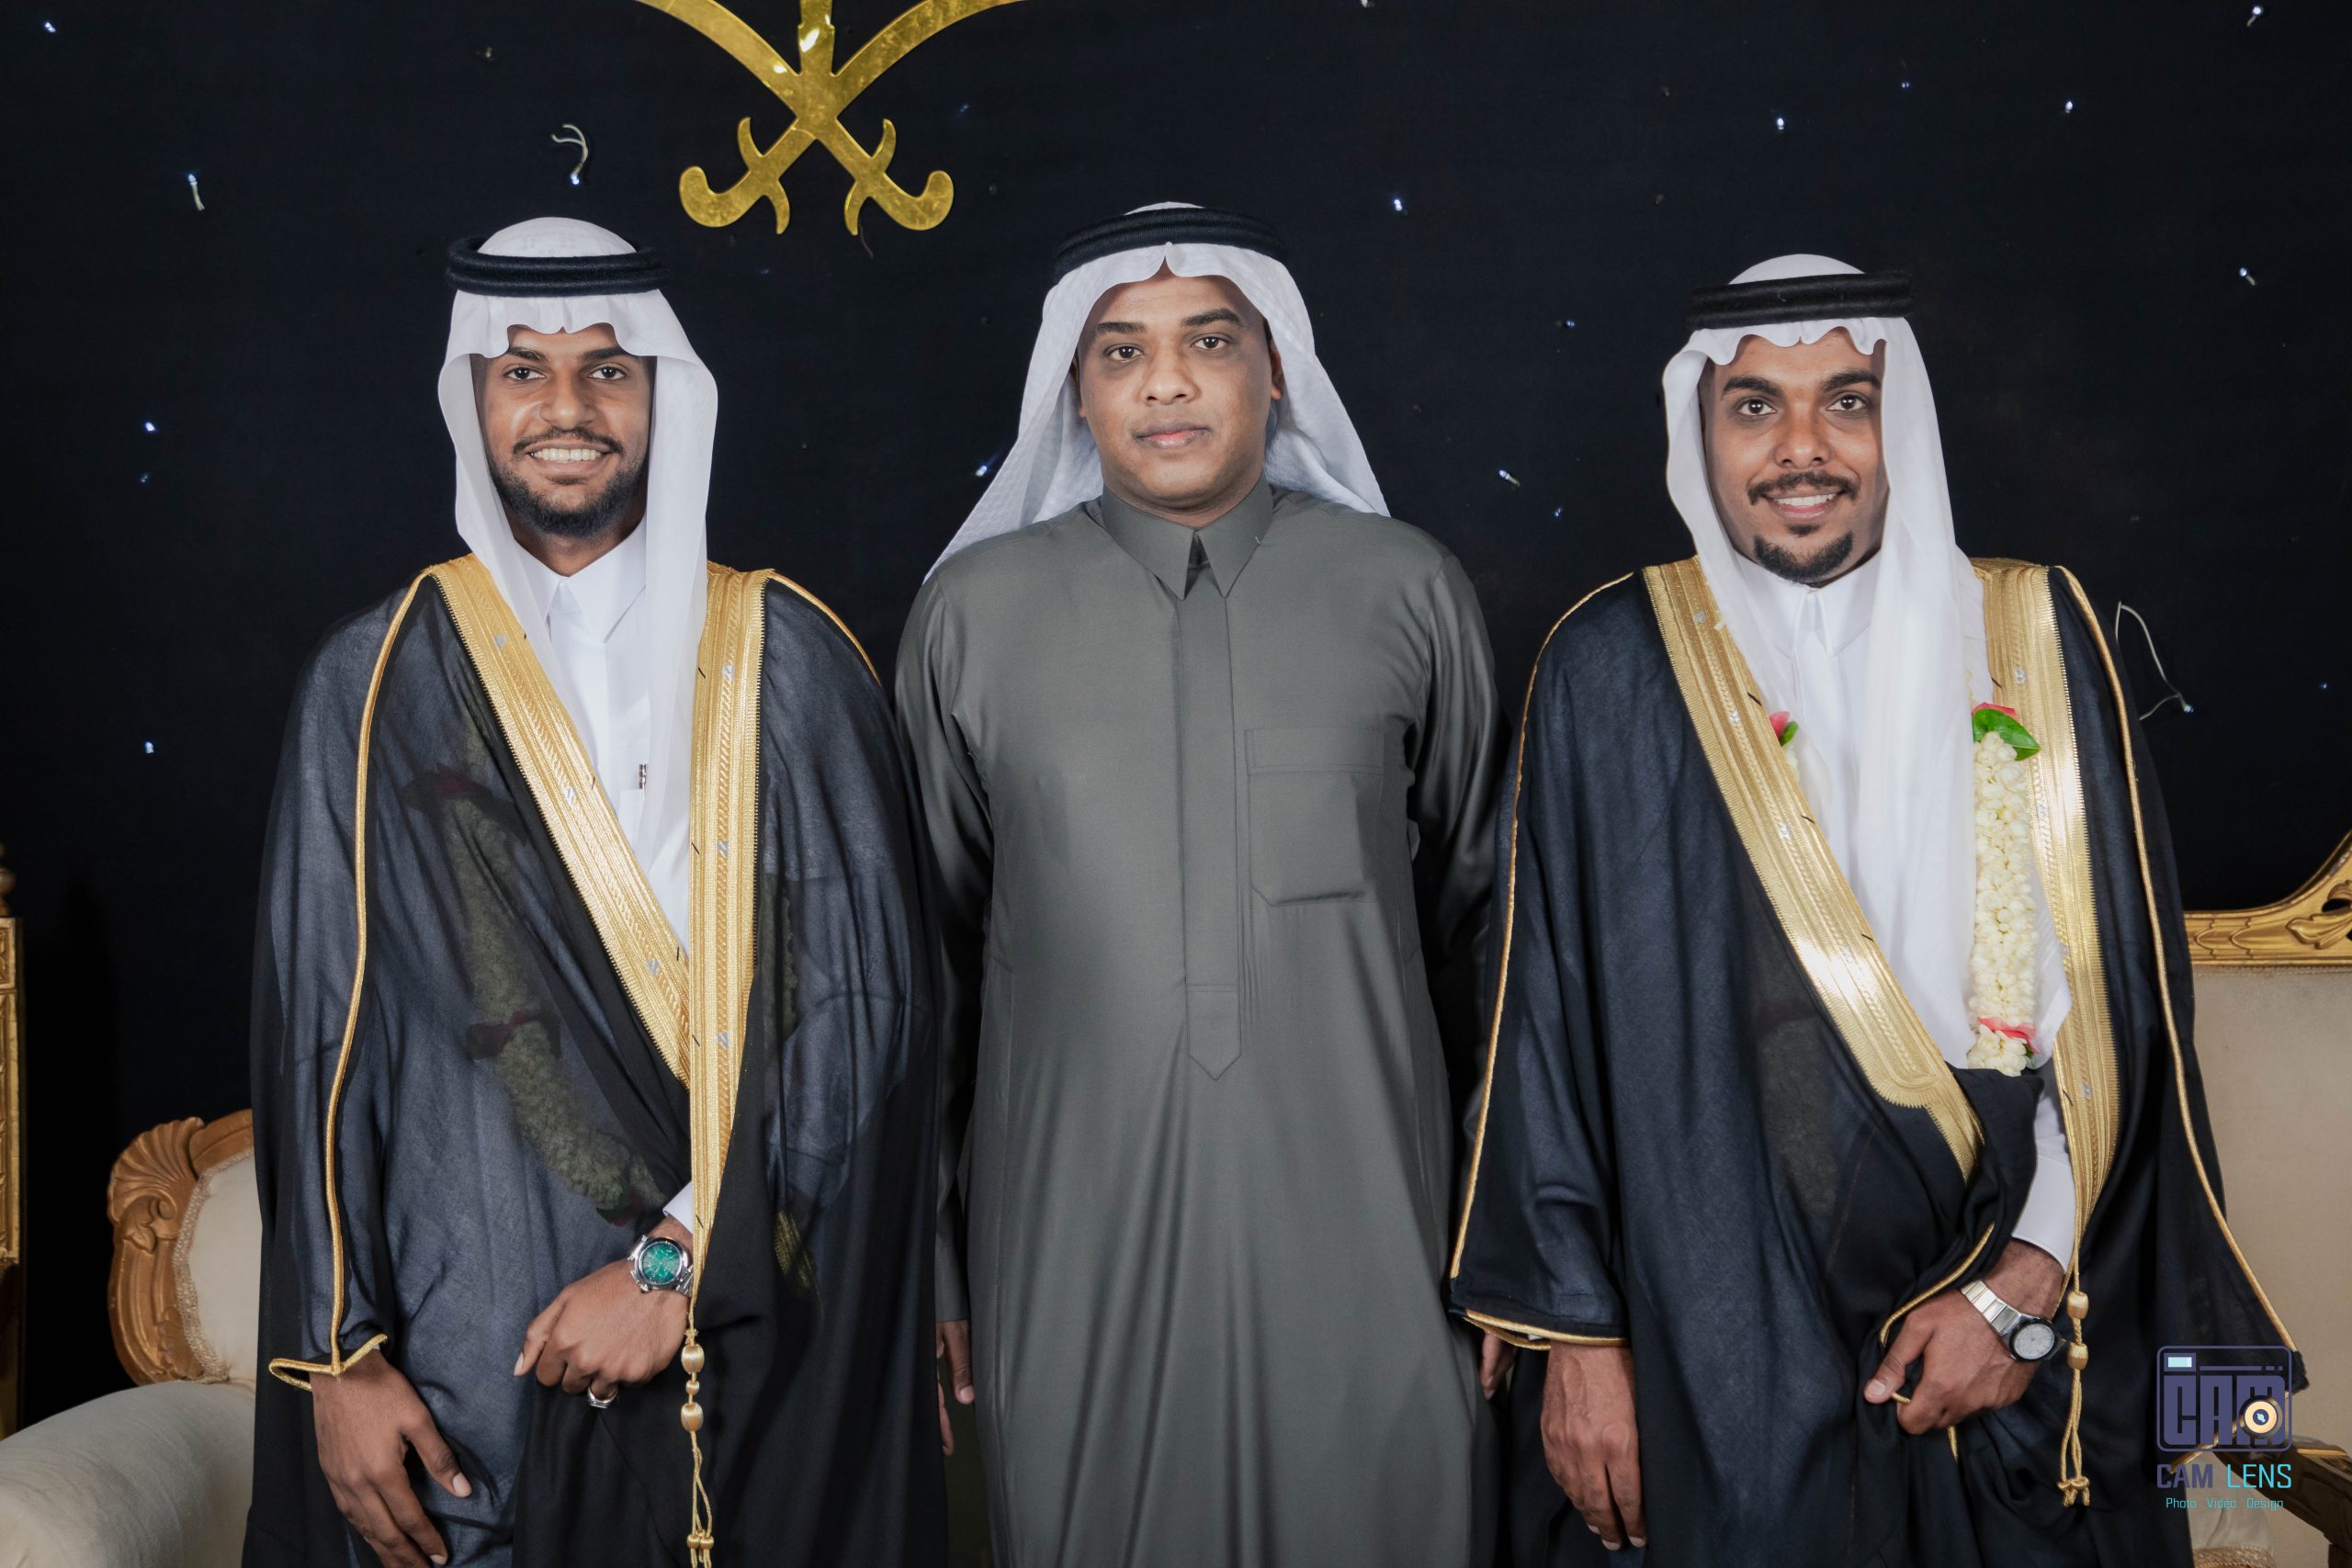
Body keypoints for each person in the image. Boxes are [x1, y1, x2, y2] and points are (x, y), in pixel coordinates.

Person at [1447, 255, 2302, 1565]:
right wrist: (1583, 1339)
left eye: (1847, 401)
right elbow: (1540, 1027)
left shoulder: (2032, 632)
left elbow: (2122, 1017)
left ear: (1900, 423)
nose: (1803, 447)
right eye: (1755, 407)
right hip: (1714, 1318)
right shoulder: (1608, 665)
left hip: (2006, 1313)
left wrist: (2023, 1293)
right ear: (1700, 429)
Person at [245, 217, 941, 1568]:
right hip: (461, 1374)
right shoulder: (375, 681)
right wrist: (339, 1356)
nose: (566, 407)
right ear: (473, 399)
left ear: (663, 393)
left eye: (607, 369)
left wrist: (674, 1264)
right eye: (523, 370)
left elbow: (864, 1024)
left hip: (746, 1352)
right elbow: (318, 1036)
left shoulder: (791, 660)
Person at [899, 203, 1510, 1567]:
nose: (1165, 383)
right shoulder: (971, 617)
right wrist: (932, 1260)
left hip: (1385, 1243)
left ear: (1277, 370)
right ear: (1074, 387)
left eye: (1210, 342)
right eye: (1121, 351)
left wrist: (1509, 1251)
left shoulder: (1408, 590)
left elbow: (1493, 939)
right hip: (1066, 1250)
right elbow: (925, 967)